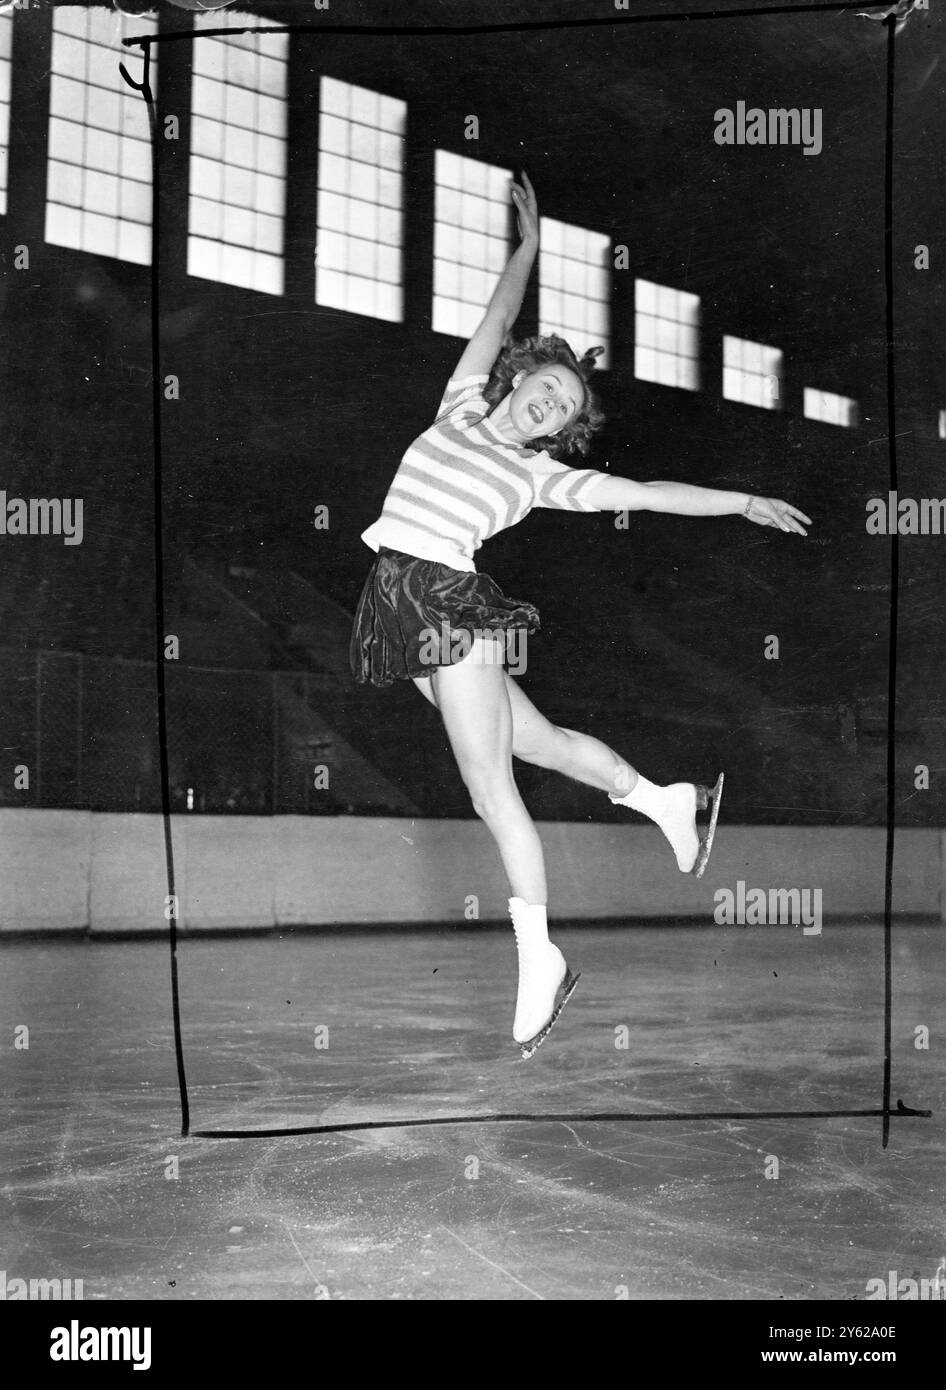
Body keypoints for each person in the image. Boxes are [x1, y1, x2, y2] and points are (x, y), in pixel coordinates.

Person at [350, 172, 811, 1058]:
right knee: (545, 744)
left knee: (491, 789)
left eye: (563, 407)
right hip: (393, 603)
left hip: (447, 604)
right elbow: (493, 315)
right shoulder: (459, 404)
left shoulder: (540, 476)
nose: (550, 401)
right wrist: (526, 249)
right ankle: (665, 799)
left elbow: (643, 491)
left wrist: (739, 501)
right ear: (519, 380)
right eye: (545, 386)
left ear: (560, 431)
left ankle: (541, 957)